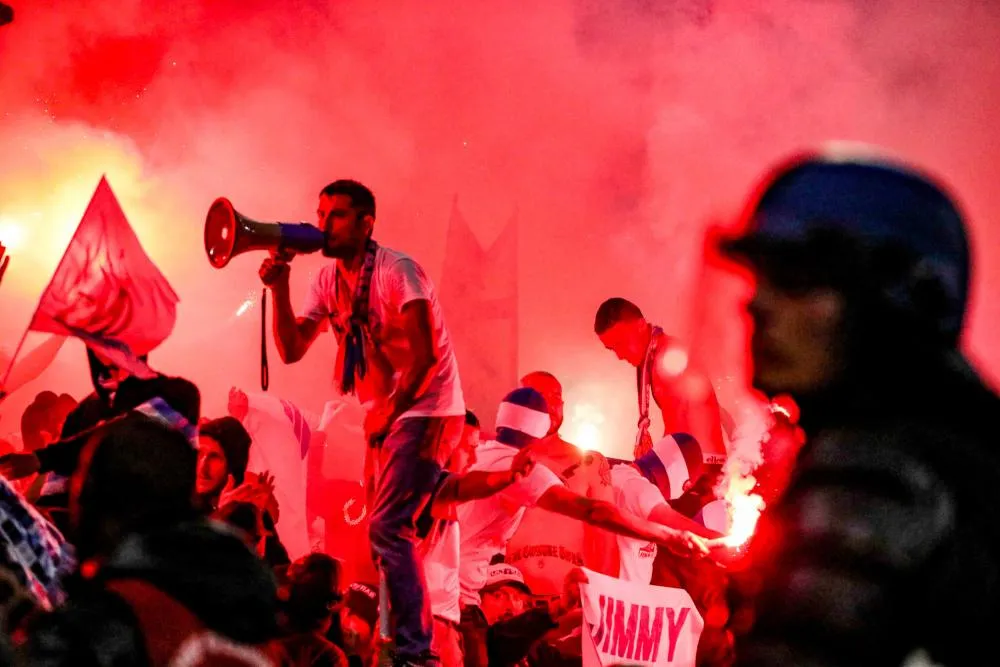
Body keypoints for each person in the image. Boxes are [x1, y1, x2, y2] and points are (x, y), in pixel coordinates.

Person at [720, 147, 1000, 666]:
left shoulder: (876, 465)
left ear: (890, 303)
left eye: (797, 280)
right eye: (761, 278)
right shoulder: (960, 445)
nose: (757, 304)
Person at [259, 179, 465, 666]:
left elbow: (426, 357)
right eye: (321, 212)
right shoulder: (326, 281)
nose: (323, 224)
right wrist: (281, 283)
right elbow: (290, 350)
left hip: (428, 407)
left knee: (390, 527)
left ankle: (418, 655)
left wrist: (388, 413)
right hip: (385, 415)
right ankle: (396, 641)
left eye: (337, 215)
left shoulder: (400, 271)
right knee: (387, 535)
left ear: (366, 223)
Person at [455, 387, 707, 667]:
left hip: (451, 599)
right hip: (463, 602)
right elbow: (595, 513)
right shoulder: (521, 470)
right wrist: (670, 536)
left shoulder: (475, 457)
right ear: (541, 431)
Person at [505, 371, 619, 598]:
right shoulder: (501, 460)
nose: (548, 405)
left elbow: (606, 540)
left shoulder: (590, 463)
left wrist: (603, 601)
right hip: (509, 604)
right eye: (537, 396)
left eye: (555, 397)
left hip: (568, 602)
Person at [594, 297, 727, 461]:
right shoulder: (659, 356)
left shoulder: (668, 358)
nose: (619, 355)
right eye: (612, 349)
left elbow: (679, 435)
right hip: (700, 463)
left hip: (703, 468)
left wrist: (649, 465)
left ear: (641, 325)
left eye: (621, 343)